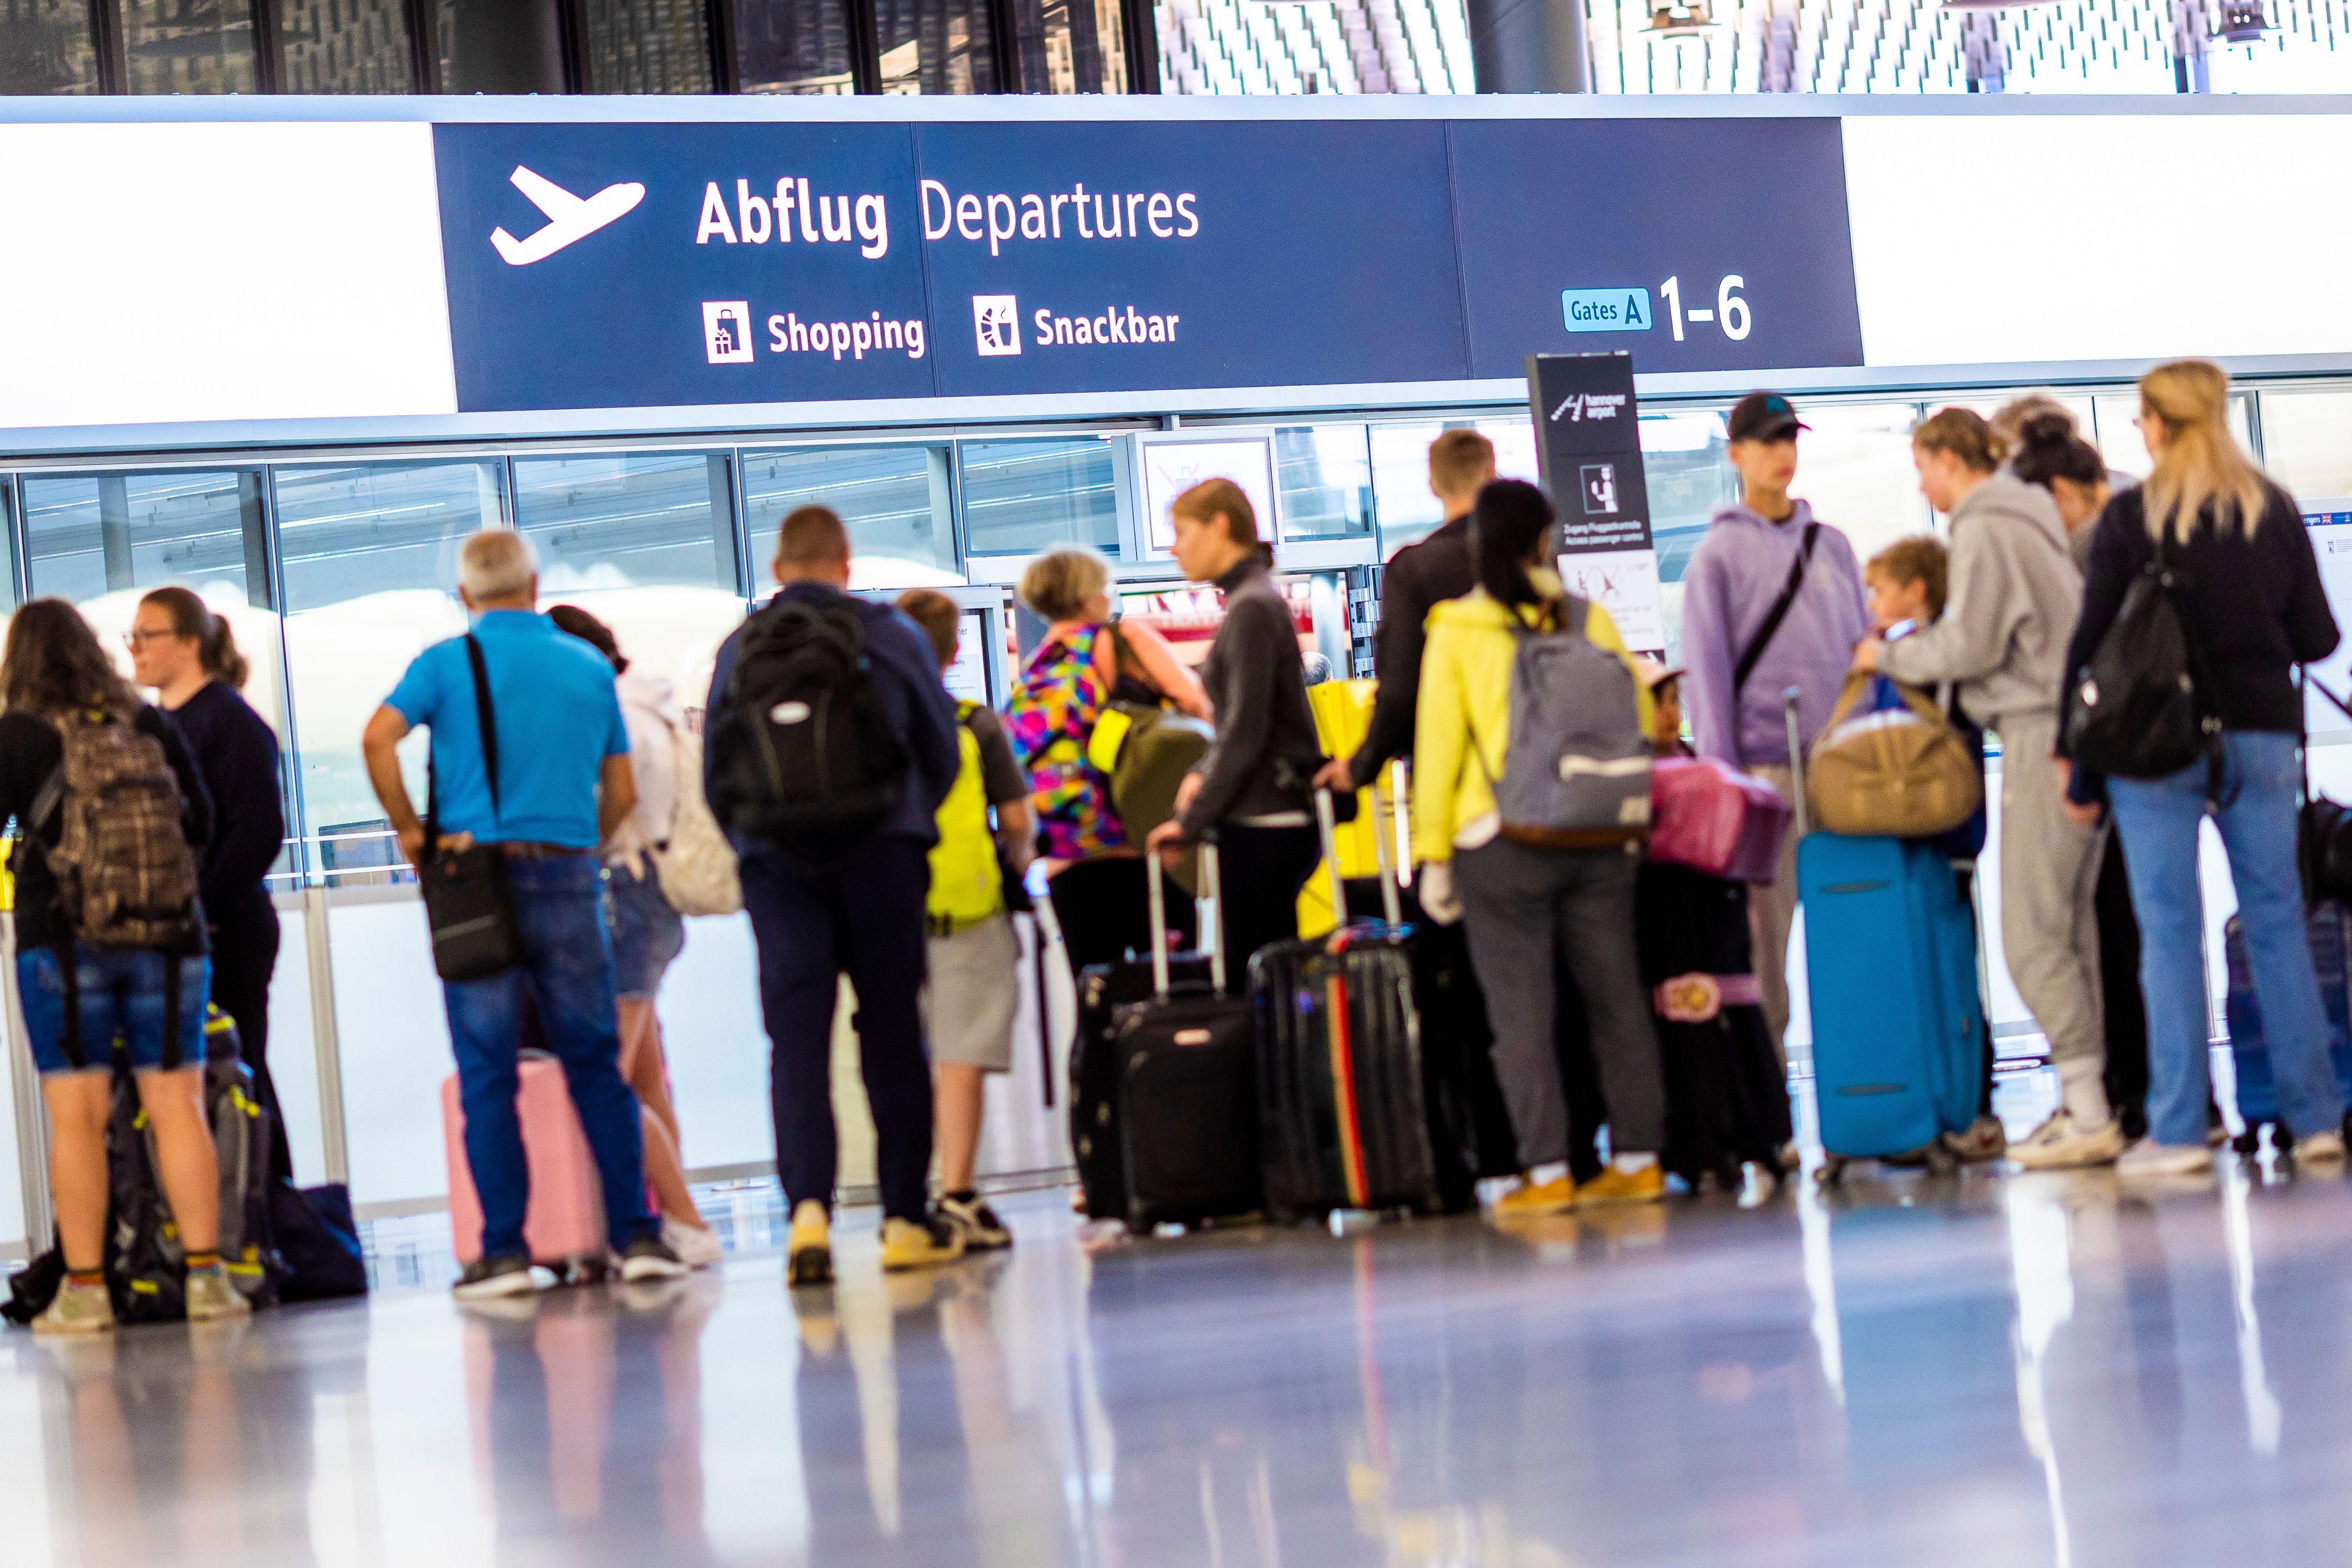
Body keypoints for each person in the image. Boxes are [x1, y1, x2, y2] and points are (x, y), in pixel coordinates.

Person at [363, 530, 686, 1299]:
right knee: (595, 1064)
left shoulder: (444, 664)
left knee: (490, 1071)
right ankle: (636, 1236)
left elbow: (379, 737)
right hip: (569, 874)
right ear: (534, 586)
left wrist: (412, 831)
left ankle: (504, 1253)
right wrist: (582, 842)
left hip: (477, 883)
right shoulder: (587, 666)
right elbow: (621, 791)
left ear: (465, 595)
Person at [2061, 360, 2346, 1176]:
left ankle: (2181, 1131)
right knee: (2278, 921)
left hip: (2155, 743)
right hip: (2260, 738)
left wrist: (2078, 769)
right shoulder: (2271, 508)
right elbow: (2318, 637)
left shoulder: (2130, 518)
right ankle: (2316, 1122)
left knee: (2168, 930)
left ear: (2154, 424)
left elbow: (2092, 647)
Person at [704, 506, 963, 1284]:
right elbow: (942, 750)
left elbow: (717, 774)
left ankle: (808, 1219)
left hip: (781, 868)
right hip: (882, 856)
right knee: (892, 1034)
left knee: (796, 1043)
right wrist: (903, 819)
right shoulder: (891, 635)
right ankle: (904, 1221)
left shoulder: (741, 647)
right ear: (847, 567)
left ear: (778, 569)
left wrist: (760, 847)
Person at [1858, 409, 2114, 1169]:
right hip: (2072, 729)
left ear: (1948, 459)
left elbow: (1970, 643)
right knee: (2073, 931)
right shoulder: (2031, 514)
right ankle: (2090, 1099)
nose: (1921, 485)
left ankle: (2089, 1109)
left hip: (2038, 734)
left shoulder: (1984, 523)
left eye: (1922, 467)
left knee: (2032, 937)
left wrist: (1884, 658)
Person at [1411, 479, 1671, 1215]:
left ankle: (1549, 1172)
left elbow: (1439, 746)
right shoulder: (1588, 617)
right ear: (1543, 541)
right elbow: (1640, 712)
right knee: (1616, 998)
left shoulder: (1457, 627)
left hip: (1500, 841)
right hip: (1598, 831)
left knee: (1520, 1014)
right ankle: (1639, 1161)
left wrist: (1434, 854)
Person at [0, 599, 238, 1333]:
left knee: (77, 1119)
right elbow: (202, 823)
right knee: (179, 1106)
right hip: (170, 938)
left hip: (64, 940)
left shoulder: (17, 733)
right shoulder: (147, 722)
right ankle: (207, 1282)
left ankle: (86, 1291)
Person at [1680, 392, 1872, 1069]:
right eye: (1767, 441)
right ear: (1735, 453)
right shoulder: (1716, 557)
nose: (1781, 453)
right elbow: (1707, 680)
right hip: (1762, 778)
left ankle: (1864, 1081)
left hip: (1840, 772)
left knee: (1853, 929)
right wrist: (1724, 784)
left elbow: (1860, 655)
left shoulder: (1831, 546)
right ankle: (1769, 1097)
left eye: (1789, 438)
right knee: (1765, 944)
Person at [544, 604, 722, 1271]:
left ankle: (682, 1222)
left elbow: (615, 804)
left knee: (604, 1079)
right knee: (645, 1079)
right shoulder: (650, 706)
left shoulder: (615, 716)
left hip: (625, 892)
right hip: (651, 897)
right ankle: (673, 1219)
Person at [2008, 407, 2154, 1141]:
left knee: (2109, 927)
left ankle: (2134, 1096)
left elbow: (2084, 653)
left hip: (2114, 755)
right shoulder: (2141, 515)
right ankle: (2162, 1098)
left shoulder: (2099, 541)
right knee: (2141, 925)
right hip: (2155, 752)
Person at [128, 586, 292, 1183]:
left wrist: (204, 908)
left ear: (190, 643)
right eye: (132, 637)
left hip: (228, 929)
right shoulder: (158, 726)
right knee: (193, 1086)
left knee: (240, 1074)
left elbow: (260, 832)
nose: (135, 648)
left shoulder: (228, 721)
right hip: (182, 931)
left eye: (148, 635)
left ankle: (272, 1208)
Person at [896, 588, 1036, 1252]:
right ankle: (956, 1191)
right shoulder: (974, 724)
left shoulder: (873, 727)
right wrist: (1012, 864)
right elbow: (1017, 820)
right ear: (954, 651)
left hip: (890, 909)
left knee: (901, 1056)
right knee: (960, 1056)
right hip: (967, 906)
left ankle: (906, 1195)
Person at [1144, 480, 1324, 990]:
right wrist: (1202, 774)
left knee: (1257, 983)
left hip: (1265, 822)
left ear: (1220, 526)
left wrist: (1190, 823)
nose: (1174, 547)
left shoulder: (1251, 608)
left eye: (1182, 531)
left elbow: (1244, 729)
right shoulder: (1255, 600)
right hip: (1270, 816)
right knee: (1267, 978)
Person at [1857, 537, 2003, 1162]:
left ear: (1916, 590)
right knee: (1949, 968)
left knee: (1945, 972)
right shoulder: (1922, 658)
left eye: (1881, 590)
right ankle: (1961, 1099)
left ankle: (1967, 1101)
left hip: (1934, 839)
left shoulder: (1919, 659)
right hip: (1946, 838)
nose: (1872, 603)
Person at [1005, 547, 1208, 978]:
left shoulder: (1036, 665)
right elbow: (1196, 703)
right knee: (1171, 988)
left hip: (1068, 862)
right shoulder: (1120, 640)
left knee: (1097, 993)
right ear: (1087, 595)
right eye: (1105, 586)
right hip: (1138, 848)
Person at [1314, 428, 1495, 796]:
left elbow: (1400, 689)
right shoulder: (1531, 562)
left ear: (1433, 485)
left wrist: (1362, 766)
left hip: (1451, 764)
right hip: (1535, 757)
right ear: (1492, 473)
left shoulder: (1415, 569)